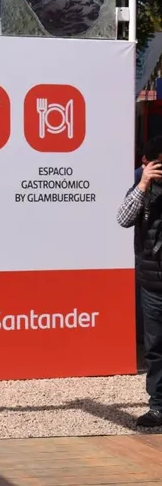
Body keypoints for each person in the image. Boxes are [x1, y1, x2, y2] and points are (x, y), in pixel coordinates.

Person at [117, 134, 162, 428]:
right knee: (155, 349)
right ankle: (158, 407)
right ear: (146, 163)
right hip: (153, 284)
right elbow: (123, 218)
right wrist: (144, 184)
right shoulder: (141, 187)